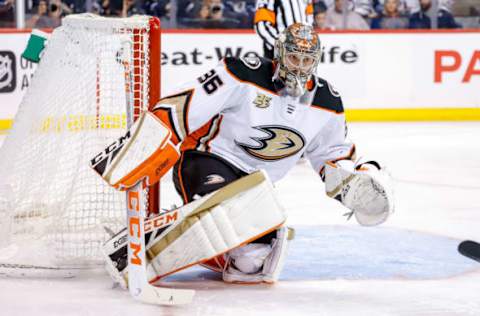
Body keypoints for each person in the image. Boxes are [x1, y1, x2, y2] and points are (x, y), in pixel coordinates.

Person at [101, 23, 394, 286]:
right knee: (224, 210)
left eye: (307, 60)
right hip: (208, 160)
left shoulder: (328, 101)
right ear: (279, 54)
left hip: (255, 187)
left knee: (252, 262)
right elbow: (187, 103)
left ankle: (202, 246)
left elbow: (332, 154)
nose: (299, 67)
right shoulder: (243, 72)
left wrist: (353, 180)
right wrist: (152, 138)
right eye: (293, 57)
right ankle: (131, 248)